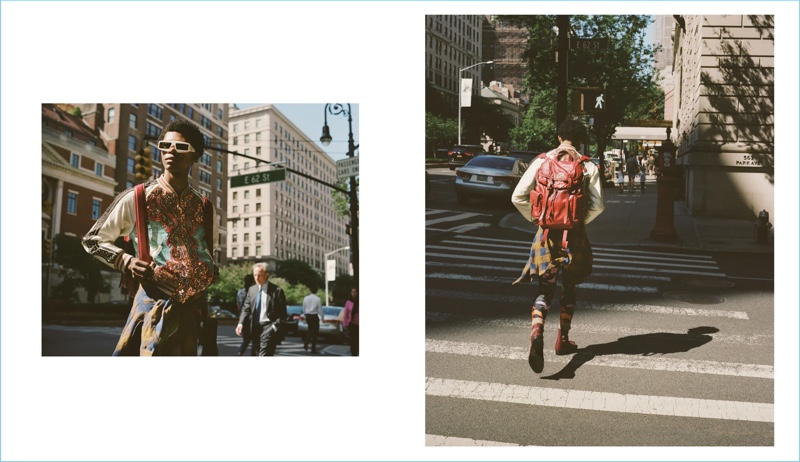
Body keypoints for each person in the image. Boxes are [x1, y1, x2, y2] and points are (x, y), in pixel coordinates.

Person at [82, 119, 218, 356]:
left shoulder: (205, 207)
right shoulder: (137, 197)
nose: (170, 151)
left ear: (195, 156)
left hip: (193, 312)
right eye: (165, 145)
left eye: (180, 147)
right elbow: (92, 240)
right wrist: (127, 261)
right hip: (152, 307)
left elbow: (209, 252)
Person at [510, 119, 604, 373]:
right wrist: (577, 222)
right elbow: (598, 206)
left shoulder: (541, 161)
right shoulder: (587, 166)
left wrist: (538, 218)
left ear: (558, 136)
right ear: (581, 140)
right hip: (574, 237)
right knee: (569, 286)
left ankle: (537, 330)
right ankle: (562, 340)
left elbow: (517, 196)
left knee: (545, 287)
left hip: (546, 236)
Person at [235, 262, 287, 356]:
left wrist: (273, 327)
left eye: (259, 275)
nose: (256, 278)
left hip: (268, 327)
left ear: (266, 275)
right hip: (254, 328)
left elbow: (282, 314)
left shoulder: (277, 291)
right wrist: (240, 323)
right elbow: (246, 308)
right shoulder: (252, 290)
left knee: (264, 355)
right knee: (255, 354)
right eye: (255, 275)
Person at [236, 274, 256, 356]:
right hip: (254, 318)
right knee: (255, 339)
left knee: (246, 339)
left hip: (244, 318)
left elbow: (238, 306)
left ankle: (239, 353)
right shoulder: (255, 292)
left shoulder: (240, 292)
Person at [302, 287, 322, 353]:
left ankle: (307, 342)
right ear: (316, 291)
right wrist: (322, 317)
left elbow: (303, 308)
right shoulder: (318, 299)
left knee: (310, 330)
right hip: (314, 316)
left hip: (308, 316)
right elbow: (319, 309)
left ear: (310, 290)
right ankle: (312, 347)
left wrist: (305, 315)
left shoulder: (306, 298)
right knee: (315, 332)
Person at [342, 287, 359, 357]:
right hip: (351, 323)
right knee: (352, 340)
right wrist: (344, 324)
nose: (354, 293)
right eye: (352, 292)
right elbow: (346, 313)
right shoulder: (348, 302)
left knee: (357, 340)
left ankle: (356, 352)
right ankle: (353, 353)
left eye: (355, 292)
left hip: (358, 324)